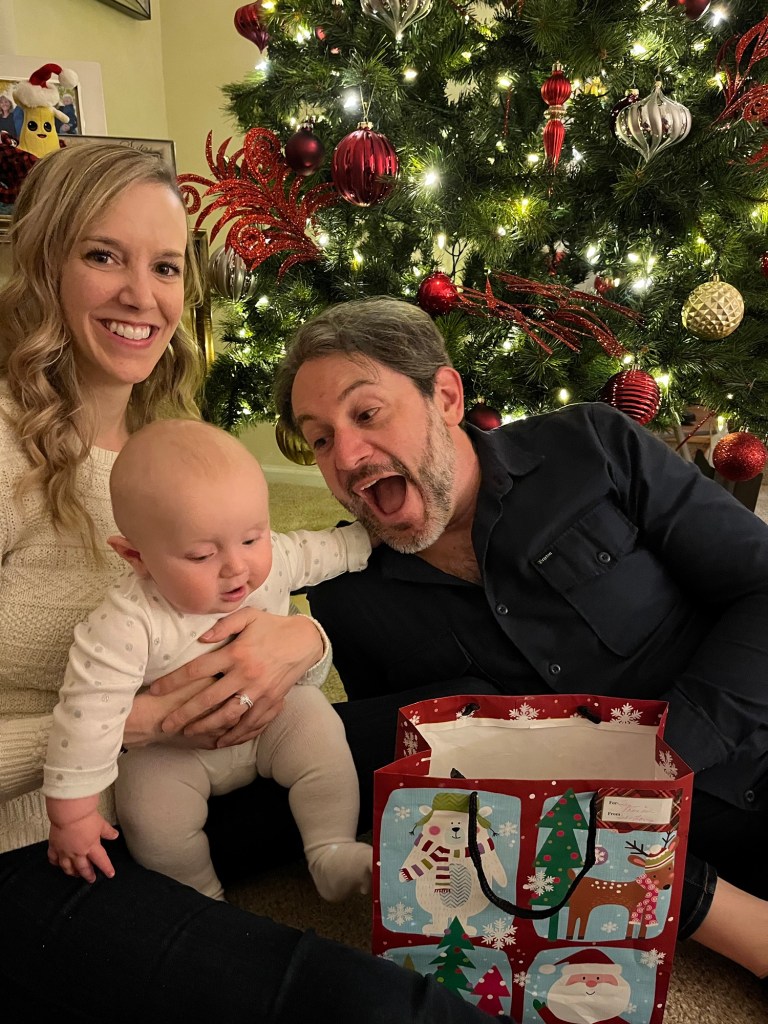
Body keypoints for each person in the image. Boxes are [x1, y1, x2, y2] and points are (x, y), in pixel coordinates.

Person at [0, 144, 509, 1024]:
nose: (142, 295)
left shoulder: (169, 445)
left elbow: (265, 578)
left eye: (165, 266)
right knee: (371, 1006)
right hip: (45, 837)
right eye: (104, 255)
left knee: (475, 715)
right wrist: (139, 723)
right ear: (44, 263)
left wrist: (302, 643)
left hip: (216, 767)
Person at [267, 295, 768, 987]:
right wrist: (302, 643)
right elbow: (428, 797)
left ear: (446, 396)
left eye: (368, 413)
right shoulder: (349, 596)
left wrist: (653, 762)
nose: (346, 456)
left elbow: (759, 587)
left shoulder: (593, 443)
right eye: (320, 439)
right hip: (667, 875)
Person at [44, 418, 373, 903]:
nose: (237, 567)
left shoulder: (271, 561)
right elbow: (87, 716)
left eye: (252, 538)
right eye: (201, 556)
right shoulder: (125, 622)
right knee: (148, 811)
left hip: (272, 720)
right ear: (136, 557)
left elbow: (324, 549)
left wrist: (372, 538)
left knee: (319, 727)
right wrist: (71, 815)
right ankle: (201, 898)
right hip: (172, 752)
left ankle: (330, 850)